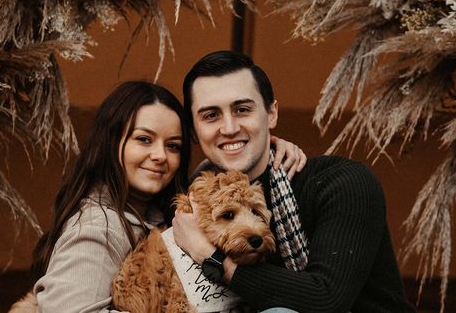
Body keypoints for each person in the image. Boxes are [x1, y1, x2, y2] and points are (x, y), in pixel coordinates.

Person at [24, 80, 305, 313]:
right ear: (111, 143)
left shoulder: (162, 213)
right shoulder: (98, 227)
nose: (160, 156)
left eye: (172, 146)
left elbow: (218, 183)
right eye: (144, 139)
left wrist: (269, 148)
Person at [173, 50, 416, 313]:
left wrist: (212, 258)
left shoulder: (342, 184)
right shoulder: (191, 207)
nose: (229, 127)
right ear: (194, 131)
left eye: (242, 109)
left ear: (271, 114)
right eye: (211, 115)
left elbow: (325, 299)